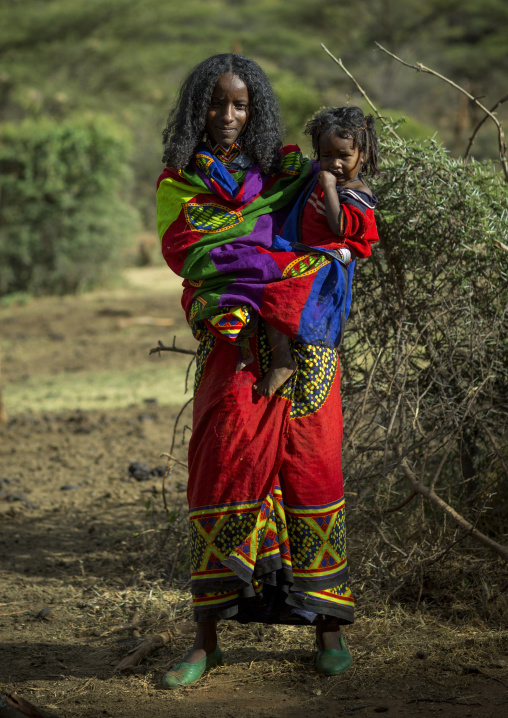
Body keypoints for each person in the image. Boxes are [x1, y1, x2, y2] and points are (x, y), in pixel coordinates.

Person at [156, 54, 374, 690]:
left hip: (306, 347)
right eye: (217, 104)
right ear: (198, 108)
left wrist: (286, 272)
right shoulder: (180, 182)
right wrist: (265, 271)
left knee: (311, 466)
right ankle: (207, 639)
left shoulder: (285, 170)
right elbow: (193, 253)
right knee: (219, 464)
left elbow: (341, 231)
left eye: (241, 105)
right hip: (234, 343)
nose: (228, 116)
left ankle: (327, 629)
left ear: (257, 111)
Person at [253, 106, 379, 397]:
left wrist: (329, 187)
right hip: (305, 254)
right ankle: (271, 354)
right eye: (326, 156)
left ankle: (283, 360)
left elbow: (339, 227)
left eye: (344, 156)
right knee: (259, 279)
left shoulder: (357, 194)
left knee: (274, 294)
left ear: (364, 155)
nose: (334, 164)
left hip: (327, 264)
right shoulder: (325, 178)